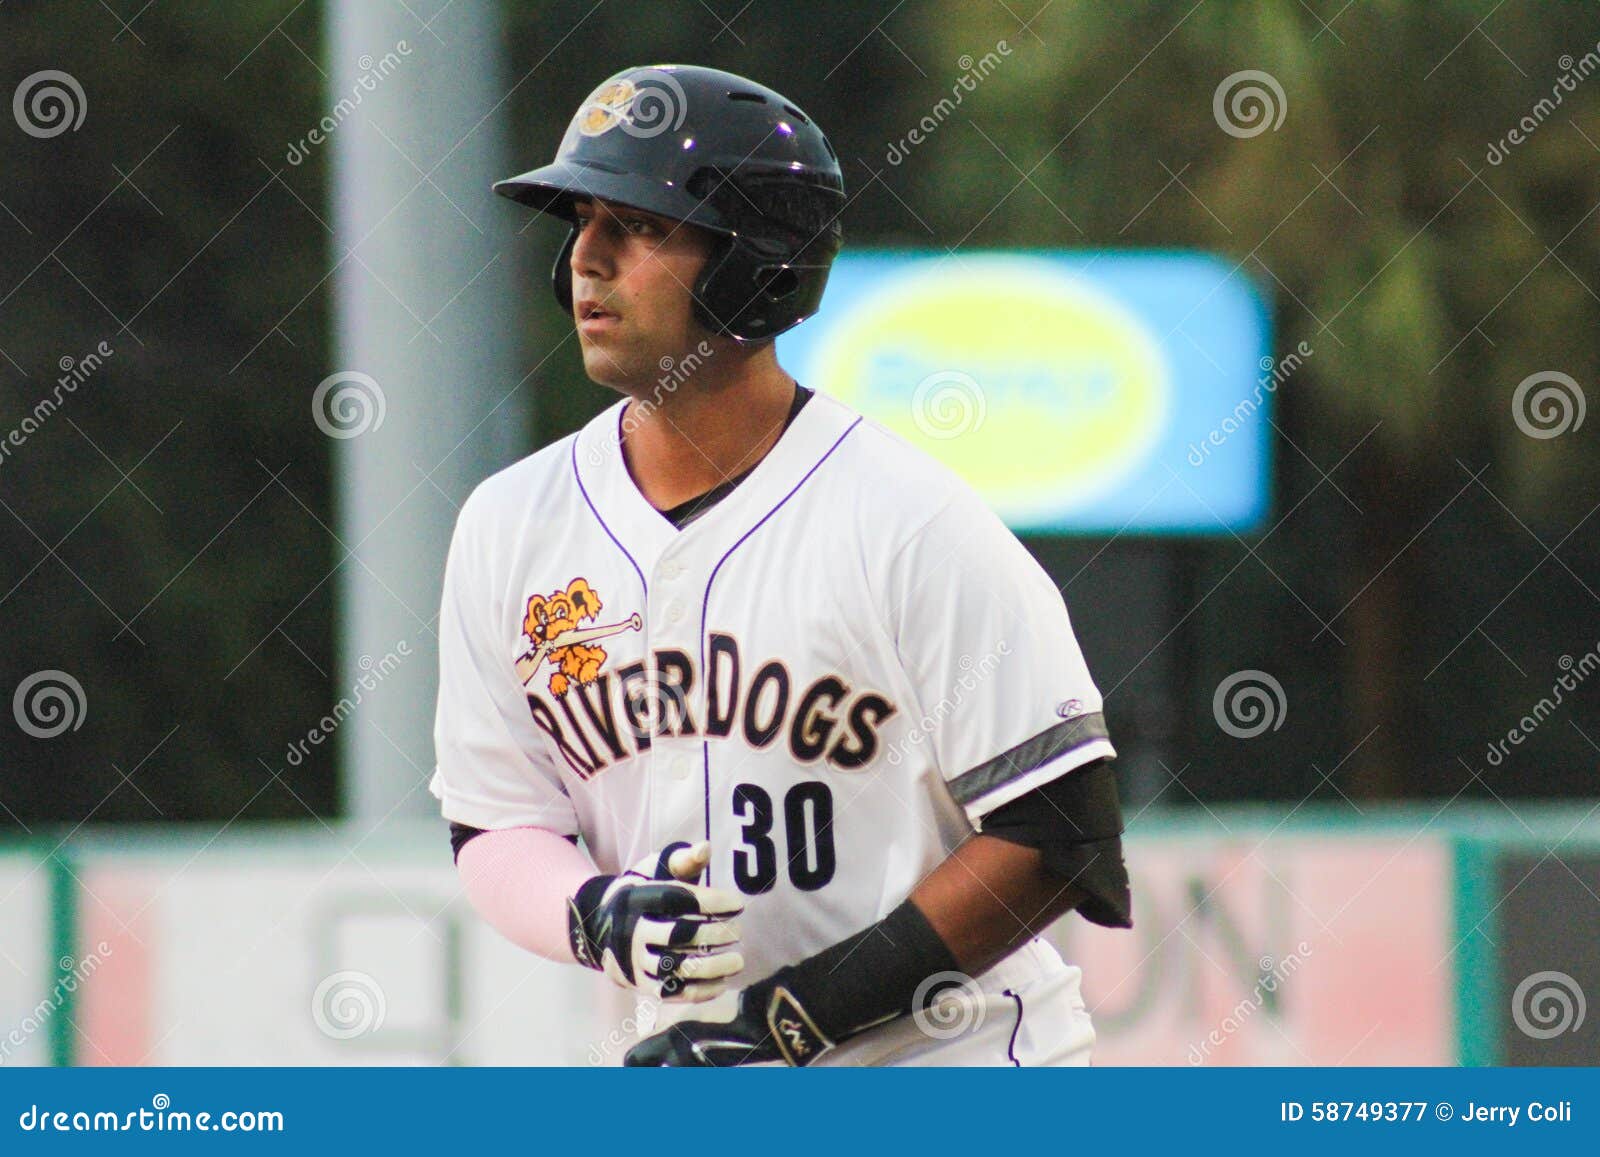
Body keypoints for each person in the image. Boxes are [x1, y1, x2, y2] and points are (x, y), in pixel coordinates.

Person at [431, 64, 1132, 1066]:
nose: (586, 258)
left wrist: (795, 1016)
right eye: (580, 222)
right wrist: (596, 909)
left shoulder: (908, 521)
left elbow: (1057, 832)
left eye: (637, 225)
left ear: (751, 263)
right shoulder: (510, 524)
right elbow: (496, 820)